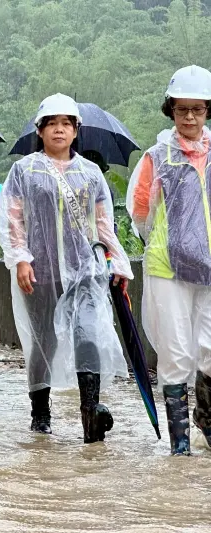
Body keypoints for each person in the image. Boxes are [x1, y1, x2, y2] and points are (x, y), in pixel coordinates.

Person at [0, 93, 133, 443]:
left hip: (85, 272)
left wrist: (118, 263)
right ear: (40, 130)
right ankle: (40, 413)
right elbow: (13, 219)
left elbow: (103, 225)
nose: (59, 129)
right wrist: (21, 258)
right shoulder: (24, 170)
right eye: (52, 123)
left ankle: (91, 412)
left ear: (75, 131)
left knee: (88, 334)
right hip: (41, 272)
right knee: (43, 341)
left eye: (66, 124)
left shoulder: (90, 173)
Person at [127, 65, 211, 455]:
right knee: (176, 354)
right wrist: (170, 241)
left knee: (210, 351)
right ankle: (180, 447)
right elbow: (141, 212)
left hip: (209, 268)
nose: (189, 117)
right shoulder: (157, 157)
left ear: (207, 110)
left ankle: (206, 425)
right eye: (182, 109)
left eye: (197, 109)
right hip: (168, 267)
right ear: (171, 110)